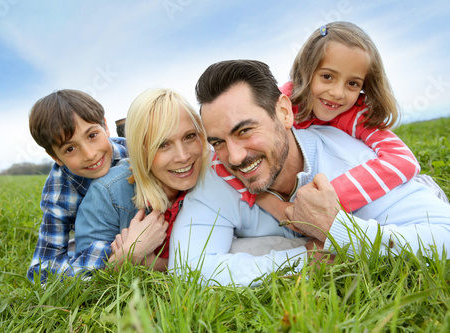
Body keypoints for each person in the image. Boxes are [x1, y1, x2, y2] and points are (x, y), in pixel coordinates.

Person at [168, 59, 450, 286]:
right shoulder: (216, 179)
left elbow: (445, 238)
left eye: (245, 131)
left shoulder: (353, 159)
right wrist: (303, 258)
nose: (235, 156)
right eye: (218, 142)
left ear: (284, 112)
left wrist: (336, 228)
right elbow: (186, 268)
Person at [214, 21, 421, 213]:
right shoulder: (278, 105)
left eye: (353, 84)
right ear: (306, 72)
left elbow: (403, 160)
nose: (338, 93)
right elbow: (220, 155)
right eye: (327, 76)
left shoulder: (356, 113)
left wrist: (331, 196)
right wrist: (273, 205)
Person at [73, 88, 211, 273]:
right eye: (163, 144)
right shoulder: (108, 194)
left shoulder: (214, 175)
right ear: (141, 151)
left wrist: (153, 264)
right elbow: (82, 283)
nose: (183, 156)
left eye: (189, 136)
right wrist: (132, 253)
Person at [27, 89, 128, 283]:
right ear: (56, 157)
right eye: (70, 149)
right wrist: (115, 250)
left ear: (106, 127)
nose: (89, 154)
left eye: (92, 135)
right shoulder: (59, 189)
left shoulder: (134, 150)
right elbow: (42, 271)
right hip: (105, 239)